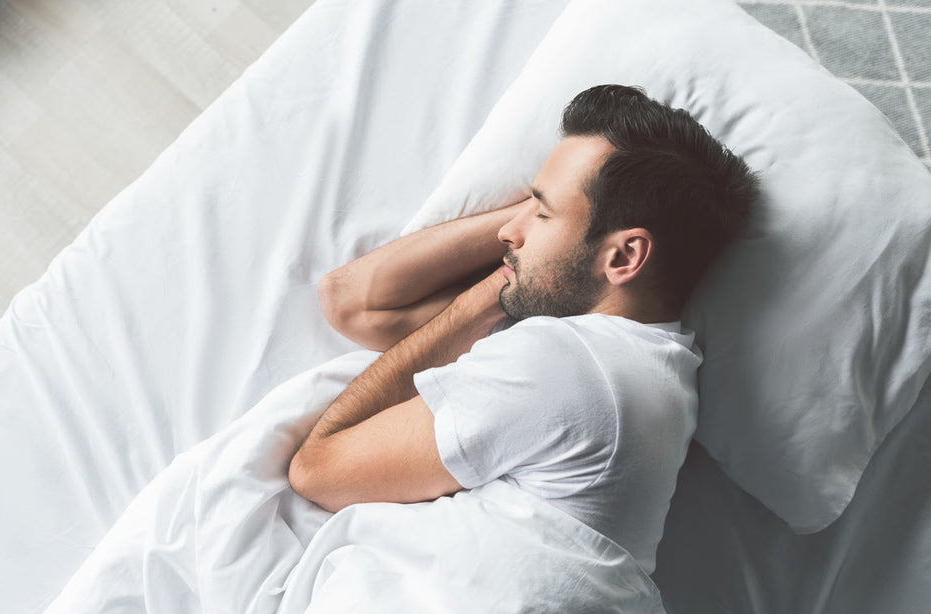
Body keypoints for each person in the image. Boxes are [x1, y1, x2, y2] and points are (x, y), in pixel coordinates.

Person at [288, 84, 758, 574]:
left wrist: (526, 268)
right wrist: (533, 256)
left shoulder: (563, 365)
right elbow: (352, 301)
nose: (506, 232)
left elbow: (317, 470)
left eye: (542, 210)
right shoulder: (649, 366)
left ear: (623, 256)